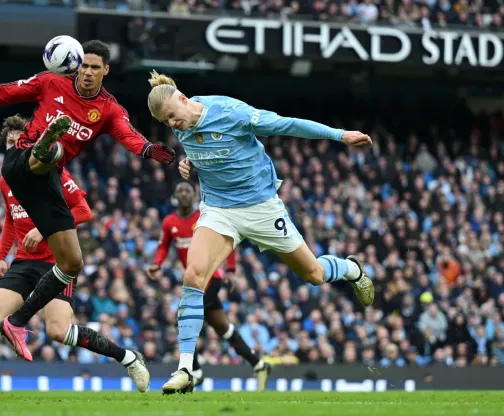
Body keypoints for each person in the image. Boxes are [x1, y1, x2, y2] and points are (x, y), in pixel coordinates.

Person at [0, 40, 175, 361]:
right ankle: (48, 143)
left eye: (95, 67)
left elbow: (127, 134)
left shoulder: (108, 109)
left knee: (72, 263)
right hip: (21, 162)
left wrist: (148, 149)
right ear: (75, 65)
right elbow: (2, 93)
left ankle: (17, 324)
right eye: (83, 65)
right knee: (48, 154)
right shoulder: (51, 81)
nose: (87, 72)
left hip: (46, 184)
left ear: (105, 71)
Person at [145, 71, 375, 394]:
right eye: (166, 122)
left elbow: (287, 125)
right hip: (218, 212)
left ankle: (352, 269)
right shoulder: (181, 126)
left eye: (173, 116)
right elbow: (204, 150)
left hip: (261, 207)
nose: (173, 125)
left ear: (183, 99)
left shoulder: (230, 113)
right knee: (193, 276)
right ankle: (185, 368)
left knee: (314, 273)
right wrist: (188, 163)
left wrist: (339, 135)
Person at [0, 115, 150, 398]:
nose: (13, 147)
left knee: (59, 331)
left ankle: (128, 358)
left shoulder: (53, 171)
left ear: (31, 142)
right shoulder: (7, 178)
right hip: (23, 261)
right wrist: (0, 255)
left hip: (57, 262)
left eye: (18, 141)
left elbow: (83, 211)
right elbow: (11, 217)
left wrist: (44, 229)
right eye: (9, 143)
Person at [147, 181, 271, 391]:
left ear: (195, 196)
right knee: (222, 327)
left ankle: (194, 372)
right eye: (180, 190)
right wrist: (157, 264)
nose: (184, 193)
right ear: (176, 196)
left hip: (212, 277)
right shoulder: (169, 222)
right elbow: (163, 245)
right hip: (194, 281)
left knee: (185, 319)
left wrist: (230, 270)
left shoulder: (203, 218)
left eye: (188, 190)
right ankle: (259, 365)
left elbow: (226, 240)